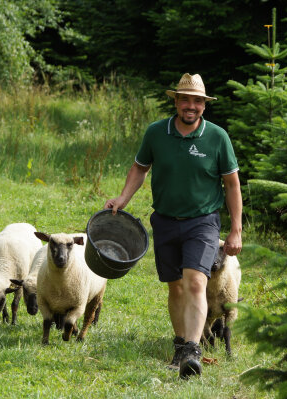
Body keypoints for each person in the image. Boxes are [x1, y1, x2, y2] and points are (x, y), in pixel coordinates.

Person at [104, 73, 242, 379]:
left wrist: (236, 229)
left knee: (195, 281)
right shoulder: (156, 133)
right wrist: (123, 198)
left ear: (204, 106)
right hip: (164, 220)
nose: (190, 106)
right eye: (185, 100)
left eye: (197, 101)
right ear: (176, 102)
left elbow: (232, 185)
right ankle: (181, 346)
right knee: (175, 286)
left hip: (203, 222)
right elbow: (140, 167)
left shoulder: (217, 137)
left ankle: (193, 349)